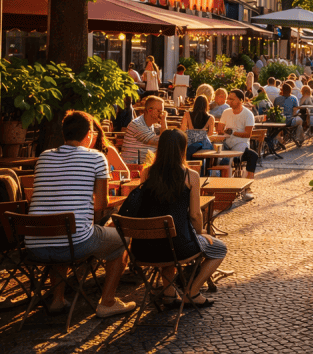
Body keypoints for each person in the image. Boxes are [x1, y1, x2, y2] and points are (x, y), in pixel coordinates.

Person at [26, 111, 136, 317]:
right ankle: (108, 302)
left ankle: (58, 299)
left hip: (34, 245)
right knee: (124, 237)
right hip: (74, 242)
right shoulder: (96, 157)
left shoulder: (44, 157)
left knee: (61, 231)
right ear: (89, 135)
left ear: (64, 133)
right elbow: (101, 205)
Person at [131, 129, 226, 307]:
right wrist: (201, 233)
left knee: (167, 236)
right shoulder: (190, 176)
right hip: (178, 246)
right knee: (220, 248)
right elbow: (195, 215)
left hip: (144, 248)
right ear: (183, 149)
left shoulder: (147, 173)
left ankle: (168, 292)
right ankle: (193, 292)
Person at [122, 95, 165, 165]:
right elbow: (162, 141)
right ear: (150, 111)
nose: (162, 114)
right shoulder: (137, 125)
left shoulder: (151, 125)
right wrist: (163, 120)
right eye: (159, 111)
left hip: (143, 165)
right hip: (133, 168)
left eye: (162, 112)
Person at [183, 95, 216, 172]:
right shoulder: (210, 118)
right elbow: (210, 133)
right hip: (203, 144)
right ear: (206, 105)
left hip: (190, 143)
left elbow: (183, 129)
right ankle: (206, 172)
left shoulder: (187, 114)